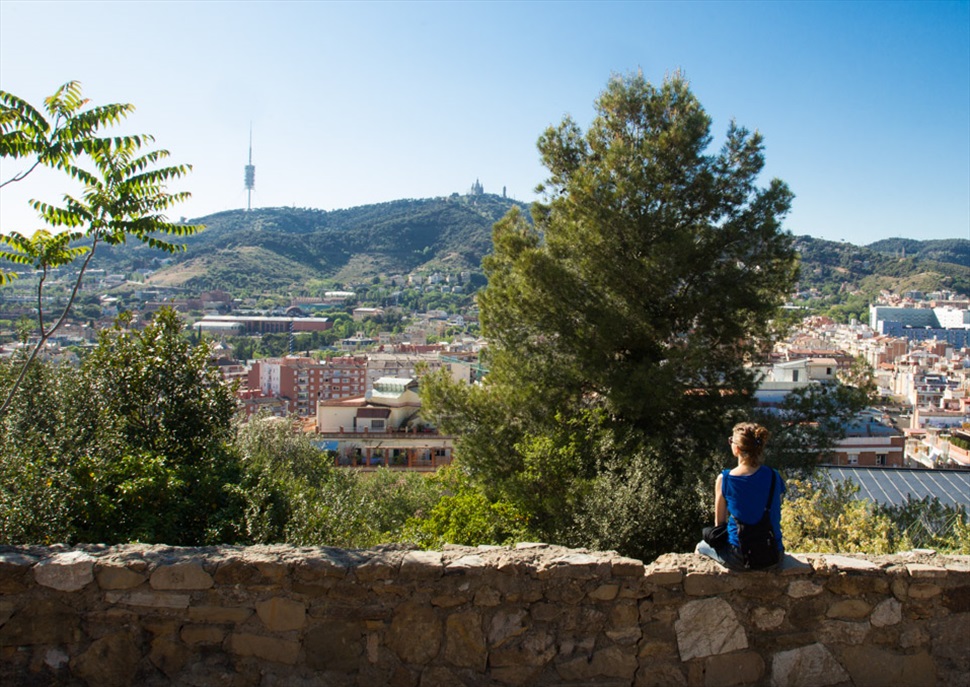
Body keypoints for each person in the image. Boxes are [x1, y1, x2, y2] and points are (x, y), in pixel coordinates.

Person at [695, 422, 785, 569]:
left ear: (736, 448)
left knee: (701, 546)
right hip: (773, 555)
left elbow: (720, 525)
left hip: (740, 556)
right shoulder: (774, 476)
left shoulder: (725, 479)